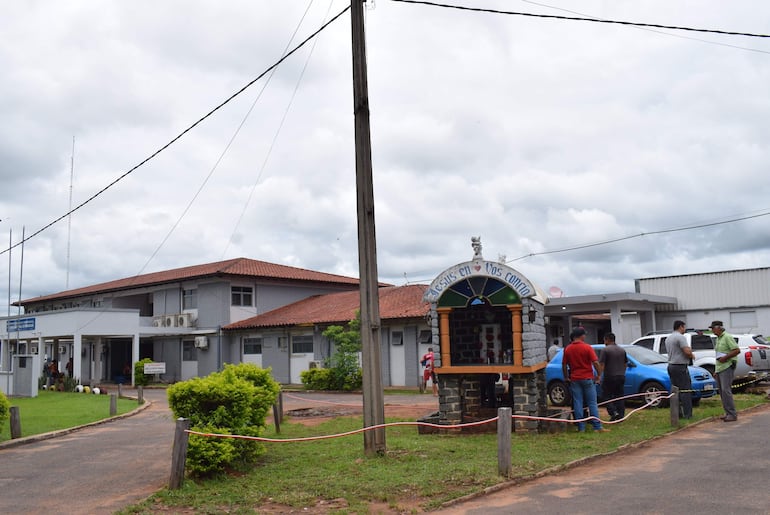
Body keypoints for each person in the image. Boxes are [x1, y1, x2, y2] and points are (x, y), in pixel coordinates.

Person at [561, 327, 609, 432]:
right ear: (582, 336)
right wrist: (599, 375)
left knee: (578, 402)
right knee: (592, 402)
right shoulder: (587, 347)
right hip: (587, 378)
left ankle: (580, 427)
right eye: (584, 335)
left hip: (574, 378)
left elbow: (564, 364)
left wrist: (566, 377)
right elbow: (595, 362)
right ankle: (597, 426)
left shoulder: (568, 348)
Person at [710, 321, 740, 422]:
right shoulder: (718, 339)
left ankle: (732, 414)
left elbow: (736, 350)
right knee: (722, 392)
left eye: (713, 328)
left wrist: (725, 357)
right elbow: (718, 355)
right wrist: (716, 370)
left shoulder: (727, 337)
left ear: (719, 328)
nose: (712, 330)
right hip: (720, 368)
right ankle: (728, 412)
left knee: (726, 391)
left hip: (727, 366)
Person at [665, 320, 694, 419]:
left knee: (675, 390)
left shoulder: (668, 338)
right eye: (684, 327)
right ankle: (687, 414)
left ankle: (677, 413)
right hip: (680, 366)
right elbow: (686, 351)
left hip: (671, 365)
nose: (684, 329)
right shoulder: (680, 337)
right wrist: (691, 354)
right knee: (685, 390)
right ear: (681, 327)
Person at [599, 333, 627, 421]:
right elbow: (625, 364)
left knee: (606, 396)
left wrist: (599, 375)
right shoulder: (622, 350)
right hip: (621, 376)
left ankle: (613, 412)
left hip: (610, 376)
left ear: (607, 339)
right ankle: (621, 414)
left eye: (604, 340)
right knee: (619, 396)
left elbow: (602, 364)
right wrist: (622, 372)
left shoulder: (605, 350)